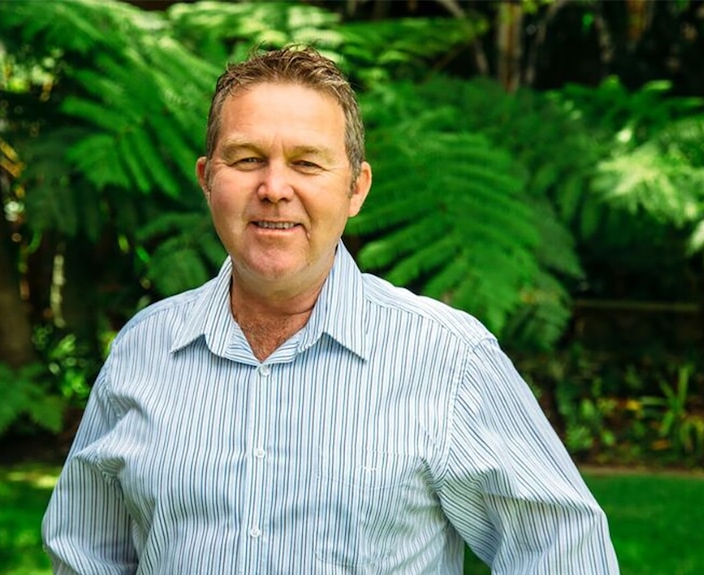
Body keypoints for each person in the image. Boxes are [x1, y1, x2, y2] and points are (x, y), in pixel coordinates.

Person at [42, 45, 620, 574]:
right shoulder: (144, 349)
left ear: (356, 188)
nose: (274, 187)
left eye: (307, 163)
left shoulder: (449, 360)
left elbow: (565, 554)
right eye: (246, 159)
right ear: (206, 178)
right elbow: (83, 553)